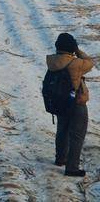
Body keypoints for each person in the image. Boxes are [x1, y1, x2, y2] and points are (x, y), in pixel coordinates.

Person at [46, 32, 94, 177]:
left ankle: (60, 158)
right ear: (71, 47)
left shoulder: (52, 61)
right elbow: (90, 63)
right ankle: (72, 168)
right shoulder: (76, 63)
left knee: (62, 131)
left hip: (60, 102)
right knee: (77, 136)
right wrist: (78, 50)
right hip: (76, 103)